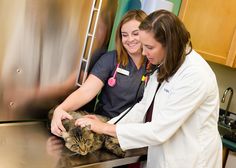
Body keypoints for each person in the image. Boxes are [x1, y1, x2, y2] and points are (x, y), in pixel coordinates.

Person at [75, 10, 222, 168]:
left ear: (170, 44)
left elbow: (159, 130)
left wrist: (105, 128)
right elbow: (143, 107)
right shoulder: (164, 64)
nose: (144, 52)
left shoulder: (195, 75)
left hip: (190, 160)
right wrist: (109, 124)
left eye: (149, 47)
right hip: (163, 156)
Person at [51, 10, 148, 137]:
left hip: (131, 130)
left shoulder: (154, 65)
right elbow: (86, 91)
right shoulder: (110, 59)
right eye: (124, 35)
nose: (130, 39)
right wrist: (60, 109)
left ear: (147, 34)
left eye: (135, 34)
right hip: (101, 123)